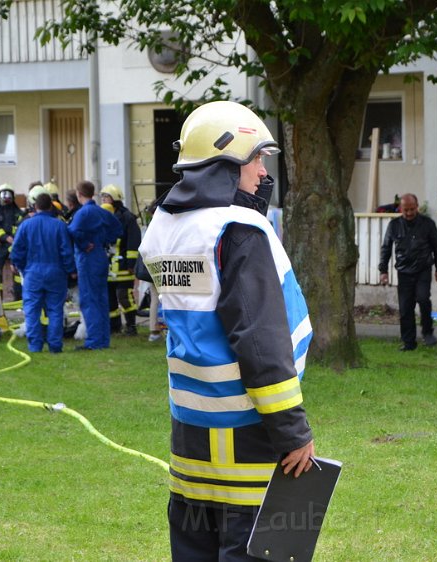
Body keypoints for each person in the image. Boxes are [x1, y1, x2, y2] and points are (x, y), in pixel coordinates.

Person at [139, 100, 315, 562]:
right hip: (249, 444)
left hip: (191, 443)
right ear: (227, 160)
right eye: (255, 157)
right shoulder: (239, 232)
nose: (262, 172)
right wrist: (294, 432)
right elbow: (261, 345)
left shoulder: (163, 228)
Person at [378, 193, 437, 350]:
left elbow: (436, 246)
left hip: (423, 269)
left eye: (412, 209)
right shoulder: (394, 225)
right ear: (401, 208)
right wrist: (383, 270)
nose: (408, 213)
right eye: (405, 210)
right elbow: (386, 248)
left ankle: (428, 333)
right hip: (404, 271)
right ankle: (408, 342)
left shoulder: (427, 224)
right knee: (405, 308)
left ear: (417, 207)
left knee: (423, 299)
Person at [11, 192, 76, 353]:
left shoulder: (26, 225)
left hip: (32, 273)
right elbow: (66, 252)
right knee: (55, 310)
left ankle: (35, 346)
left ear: (35, 206)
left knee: (32, 310)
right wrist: (71, 270)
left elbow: (17, 251)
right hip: (56, 273)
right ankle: (55, 345)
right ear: (51, 206)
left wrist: (21, 267)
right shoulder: (59, 225)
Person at [67, 180, 122, 351]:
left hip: (87, 258)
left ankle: (94, 341)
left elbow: (72, 231)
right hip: (100, 256)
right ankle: (103, 339)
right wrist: (104, 241)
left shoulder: (83, 213)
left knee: (89, 299)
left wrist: (84, 244)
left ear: (79, 194)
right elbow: (117, 229)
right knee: (101, 299)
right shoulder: (100, 211)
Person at [100, 184, 142, 335]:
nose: (104, 199)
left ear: (115, 199)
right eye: (103, 197)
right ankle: (114, 326)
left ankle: (131, 326)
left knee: (124, 296)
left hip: (124, 266)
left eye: (107, 197)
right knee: (110, 297)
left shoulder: (127, 218)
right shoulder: (103, 215)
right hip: (108, 266)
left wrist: (131, 264)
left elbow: (133, 241)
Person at [0, 183, 25, 302]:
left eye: (8, 195)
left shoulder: (19, 213)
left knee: (19, 270)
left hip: (16, 245)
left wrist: (15, 239)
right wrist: (5, 237)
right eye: (3, 195)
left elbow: (21, 227)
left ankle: (19, 297)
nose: (6, 198)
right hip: (1, 245)